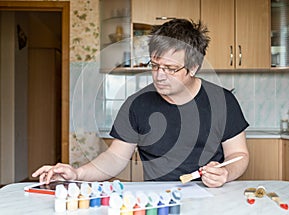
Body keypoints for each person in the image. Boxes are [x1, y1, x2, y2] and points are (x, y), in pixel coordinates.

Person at [32, 19, 249, 188]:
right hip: (160, 198)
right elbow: (114, 158)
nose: (159, 76)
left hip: (213, 195)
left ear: (193, 68)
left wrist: (225, 174)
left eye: (170, 69)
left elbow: (238, 155)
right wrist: (77, 174)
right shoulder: (137, 104)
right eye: (155, 65)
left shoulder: (222, 101)